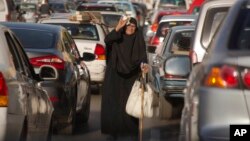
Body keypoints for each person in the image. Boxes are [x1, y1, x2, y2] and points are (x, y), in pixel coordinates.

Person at [101, 17, 149, 141]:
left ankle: (132, 133)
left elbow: (143, 56)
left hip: (132, 76)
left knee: (131, 103)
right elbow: (107, 40)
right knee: (114, 104)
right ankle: (113, 132)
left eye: (133, 26)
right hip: (114, 75)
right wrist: (117, 28)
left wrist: (144, 66)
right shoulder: (117, 37)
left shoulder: (138, 39)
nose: (130, 28)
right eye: (128, 26)